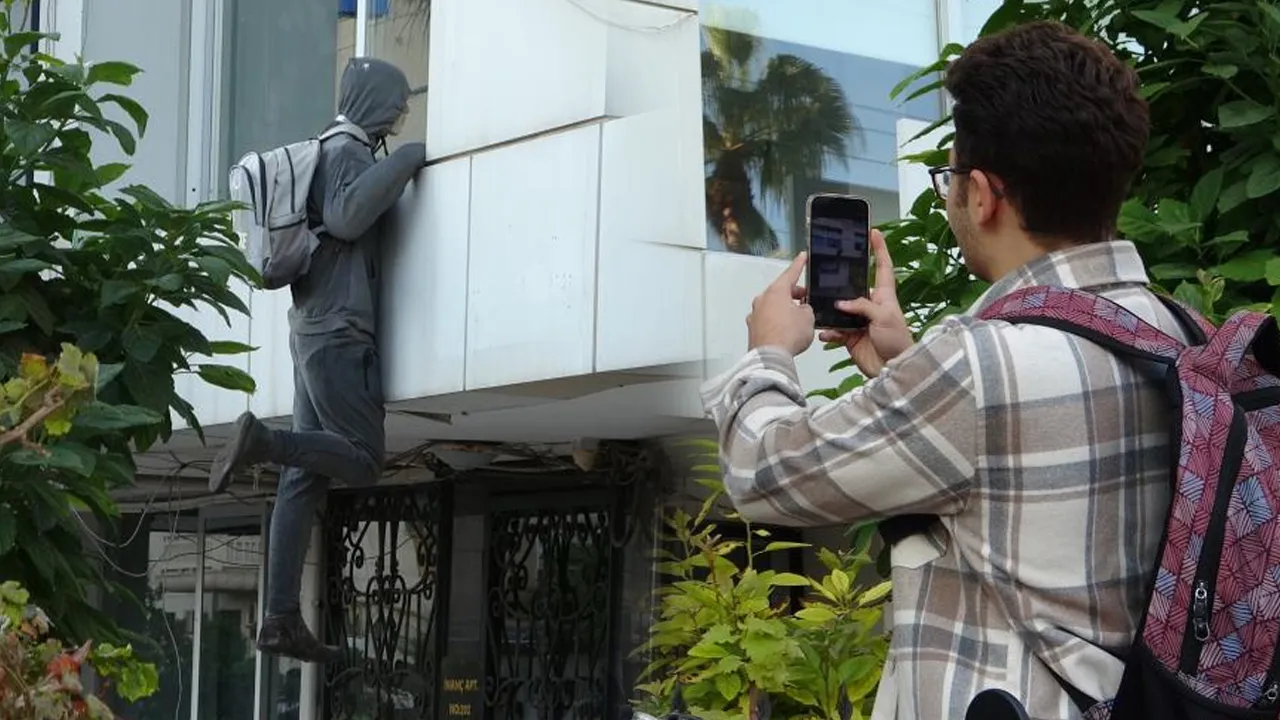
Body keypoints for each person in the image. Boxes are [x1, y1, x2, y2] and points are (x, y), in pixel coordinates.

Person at [702, 21, 1173, 720]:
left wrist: (767, 352)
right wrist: (904, 364)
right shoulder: (1179, 331)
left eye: (949, 178)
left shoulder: (978, 369)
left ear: (983, 195)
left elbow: (763, 475)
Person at [207, 57, 427, 663]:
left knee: (305, 477)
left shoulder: (325, 153)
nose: (403, 114)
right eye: (399, 103)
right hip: (339, 334)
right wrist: (410, 159)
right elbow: (348, 217)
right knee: (362, 460)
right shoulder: (349, 154)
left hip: (309, 328)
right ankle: (263, 443)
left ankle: (279, 616)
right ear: (375, 103)